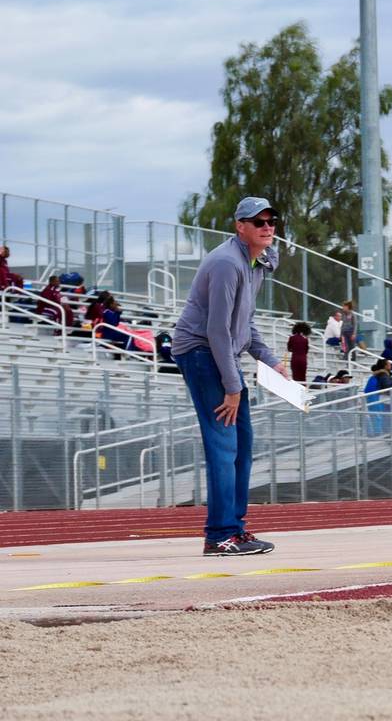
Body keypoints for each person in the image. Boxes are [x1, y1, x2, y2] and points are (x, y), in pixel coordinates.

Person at [171, 197, 285, 556]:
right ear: (240, 226)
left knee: (243, 448)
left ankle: (235, 529)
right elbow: (218, 330)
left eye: (271, 221)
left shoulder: (255, 262)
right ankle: (219, 535)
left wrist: (270, 360)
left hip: (222, 352)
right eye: (258, 222)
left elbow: (243, 322)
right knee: (224, 446)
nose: (267, 227)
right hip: (202, 351)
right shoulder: (226, 263)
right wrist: (233, 387)